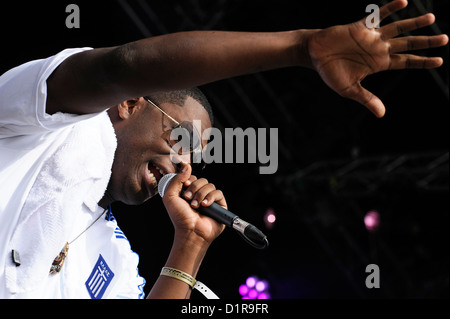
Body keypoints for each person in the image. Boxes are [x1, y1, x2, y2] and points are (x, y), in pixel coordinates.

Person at [0, 0, 447, 299]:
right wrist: (299, 47)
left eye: (195, 154)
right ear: (131, 103)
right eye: (182, 139)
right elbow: (123, 65)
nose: (184, 163)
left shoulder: (116, 256)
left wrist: (191, 244)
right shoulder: (48, 120)